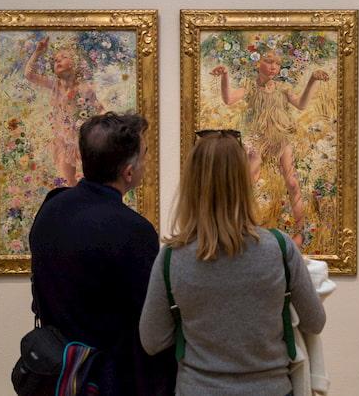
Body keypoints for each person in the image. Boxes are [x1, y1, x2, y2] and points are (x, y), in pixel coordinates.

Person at [140, 129, 326, 395]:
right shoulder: (280, 248)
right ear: (244, 181)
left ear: (192, 183)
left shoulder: (172, 257)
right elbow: (314, 322)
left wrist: (194, 329)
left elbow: (152, 340)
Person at [29, 112, 176, 395]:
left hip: (57, 372)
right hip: (108, 380)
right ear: (128, 172)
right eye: (145, 154)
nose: (147, 162)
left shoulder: (51, 206)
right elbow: (150, 321)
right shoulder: (134, 230)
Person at [210, 50, 329, 246]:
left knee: (292, 182)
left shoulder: (283, 88)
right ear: (258, 64)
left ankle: (299, 231)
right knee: (249, 177)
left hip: (280, 137)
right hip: (257, 137)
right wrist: (224, 75)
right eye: (268, 62)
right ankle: (236, 226)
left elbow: (301, 104)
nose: (273, 66)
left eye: (276, 63)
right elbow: (229, 100)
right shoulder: (250, 86)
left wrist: (312, 80)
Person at [24, 36, 105, 186]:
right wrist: (37, 52)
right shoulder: (54, 84)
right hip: (62, 142)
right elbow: (29, 75)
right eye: (55, 60)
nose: (58, 61)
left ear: (75, 64)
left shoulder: (84, 88)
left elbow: (100, 109)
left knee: (91, 178)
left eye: (63, 57)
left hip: (82, 141)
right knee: (69, 182)